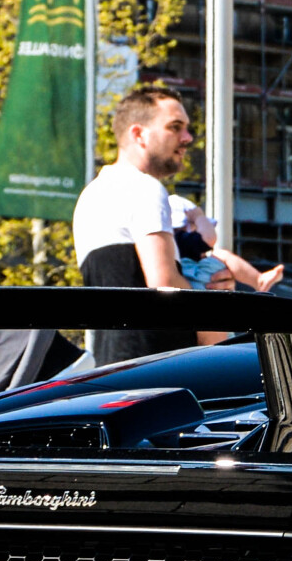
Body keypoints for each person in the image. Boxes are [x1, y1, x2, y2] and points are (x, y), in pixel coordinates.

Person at [71, 89, 212, 366]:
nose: (187, 138)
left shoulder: (92, 195)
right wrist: (213, 322)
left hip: (112, 369)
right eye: (175, 127)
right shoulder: (144, 188)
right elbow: (164, 282)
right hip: (162, 370)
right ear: (139, 134)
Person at [166, 195, 284, 293]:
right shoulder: (181, 237)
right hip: (197, 278)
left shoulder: (167, 246)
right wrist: (199, 217)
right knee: (222, 254)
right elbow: (209, 239)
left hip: (187, 280)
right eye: (197, 227)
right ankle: (258, 279)